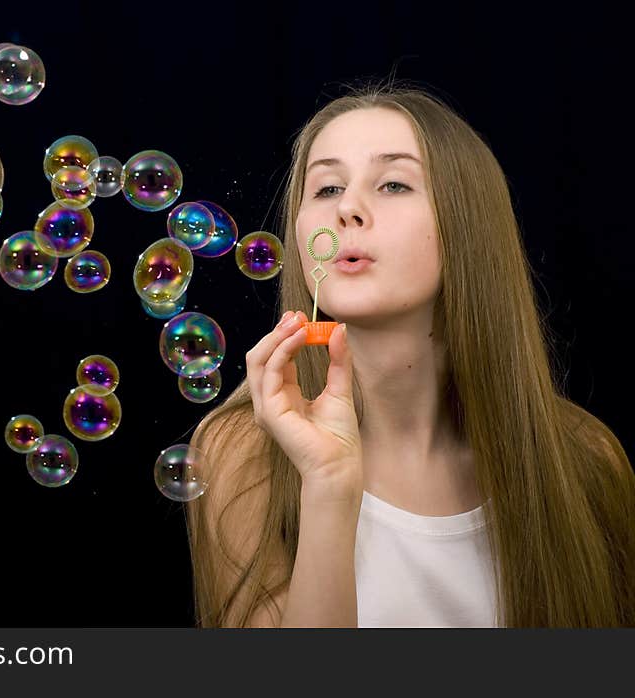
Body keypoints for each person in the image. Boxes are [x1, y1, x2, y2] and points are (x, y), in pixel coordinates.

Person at [184, 79, 635, 628]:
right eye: (326, 189)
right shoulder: (246, 452)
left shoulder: (586, 461)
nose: (347, 208)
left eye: (394, 184)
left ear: (466, 226)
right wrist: (327, 482)